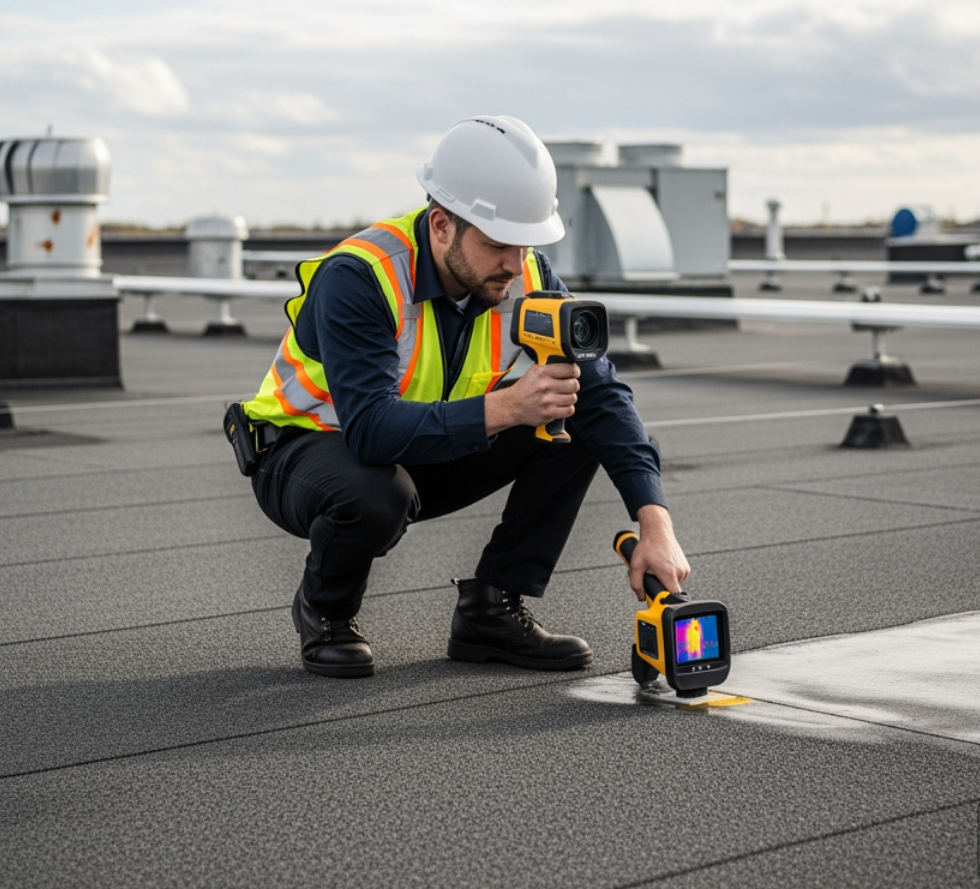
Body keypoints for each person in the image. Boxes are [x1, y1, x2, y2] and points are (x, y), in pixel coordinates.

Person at [239, 115, 689, 677]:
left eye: (526, 244)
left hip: (422, 447)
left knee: (572, 414)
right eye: (498, 244)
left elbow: (604, 394)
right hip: (308, 454)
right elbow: (370, 431)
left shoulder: (526, 272)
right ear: (441, 225)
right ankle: (327, 611)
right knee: (376, 494)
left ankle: (491, 612)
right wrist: (509, 407)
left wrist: (655, 523)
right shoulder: (362, 276)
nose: (514, 263)